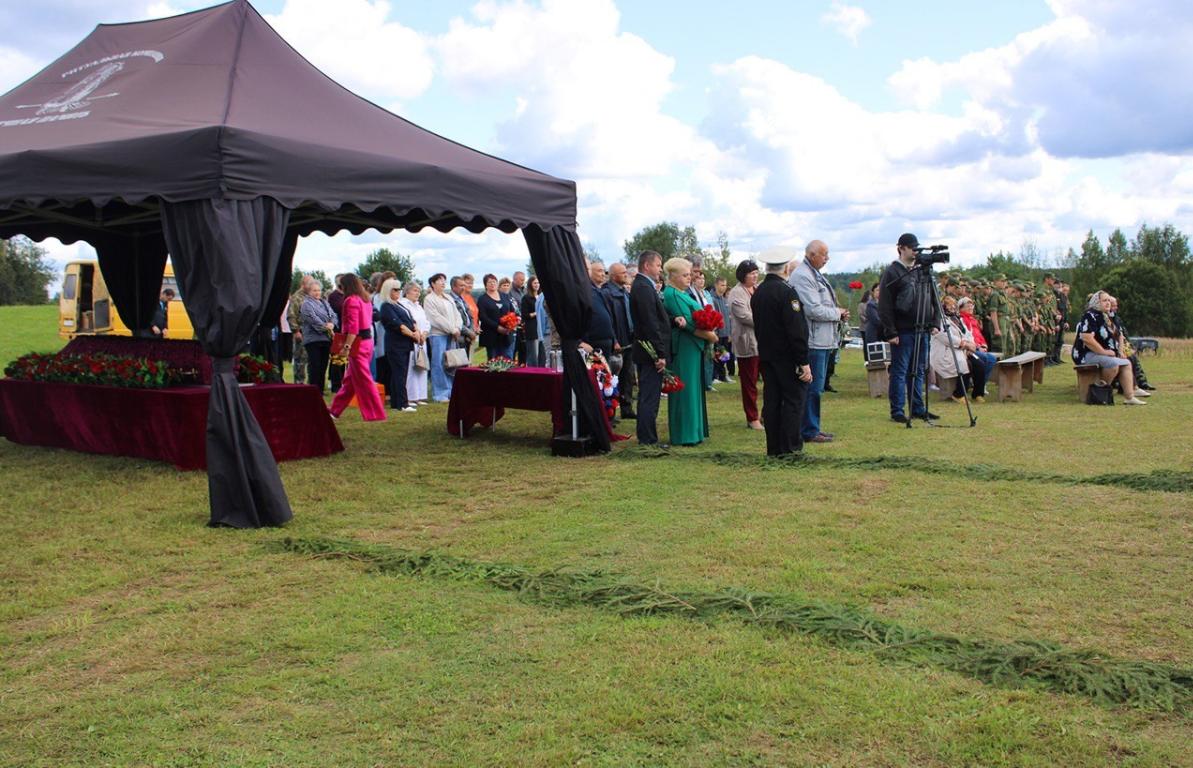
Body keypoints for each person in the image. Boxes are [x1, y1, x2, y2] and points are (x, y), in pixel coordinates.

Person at [751, 246, 812, 456]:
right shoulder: (787, 293)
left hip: (767, 355)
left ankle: (774, 447)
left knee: (772, 401)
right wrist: (803, 361)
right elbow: (796, 330)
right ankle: (790, 447)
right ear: (786, 268)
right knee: (793, 401)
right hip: (787, 357)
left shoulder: (759, 292)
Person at [789, 240, 848, 444]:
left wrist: (838, 313)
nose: (827, 258)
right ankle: (808, 430)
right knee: (812, 387)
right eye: (824, 254)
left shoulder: (814, 273)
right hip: (813, 341)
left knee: (816, 387)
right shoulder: (803, 276)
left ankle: (812, 427)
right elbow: (813, 309)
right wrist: (837, 313)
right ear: (812, 254)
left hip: (822, 339)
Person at [878, 233, 941, 424]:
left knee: (919, 370)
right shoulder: (892, 272)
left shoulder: (921, 271)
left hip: (923, 329)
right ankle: (897, 410)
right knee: (900, 371)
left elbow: (934, 298)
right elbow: (885, 304)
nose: (915, 251)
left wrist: (935, 322)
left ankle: (917, 408)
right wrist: (890, 331)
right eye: (912, 248)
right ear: (901, 248)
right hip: (903, 330)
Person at [661, 258, 715, 445]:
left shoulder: (680, 293)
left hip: (691, 345)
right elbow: (688, 322)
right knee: (686, 390)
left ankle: (694, 431)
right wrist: (709, 335)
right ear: (673, 276)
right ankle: (685, 434)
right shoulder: (672, 294)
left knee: (693, 389)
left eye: (689, 275)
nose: (689, 278)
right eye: (684, 275)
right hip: (684, 346)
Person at [629, 250, 674, 447]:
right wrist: (660, 353)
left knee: (649, 395)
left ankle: (647, 436)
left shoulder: (644, 286)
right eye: (658, 265)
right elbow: (650, 323)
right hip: (649, 352)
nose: (660, 270)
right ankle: (648, 439)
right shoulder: (643, 288)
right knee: (649, 396)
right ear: (647, 266)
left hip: (648, 350)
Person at [1072, 291, 1146, 405]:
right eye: (1104, 301)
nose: (1108, 303)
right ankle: (1100, 392)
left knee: (1126, 363)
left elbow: (1119, 334)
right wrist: (1104, 352)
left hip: (1105, 354)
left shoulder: (1108, 316)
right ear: (1097, 302)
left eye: (1108, 301)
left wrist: (1120, 351)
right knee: (1112, 364)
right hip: (1086, 354)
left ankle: (1129, 397)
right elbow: (1087, 339)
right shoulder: (1090, 316)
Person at [329, 274, 386, 421]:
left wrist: (347, 346)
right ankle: (334, 411)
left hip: (357, 343)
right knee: (350, 382)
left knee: (365, 381)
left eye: (341, 286)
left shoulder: (351, 300)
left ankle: (375, 413)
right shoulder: (365, 299)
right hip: (367, 342)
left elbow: (353, 327)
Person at [728, 259, 763, 430]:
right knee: (750, 383)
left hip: (763, 342)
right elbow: (745, 317)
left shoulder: (758, 290)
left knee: (770, 379)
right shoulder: (736, 293)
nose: (755, 276)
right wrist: (768, 319)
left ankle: (766, 414)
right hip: (747, 343)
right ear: (743, 275)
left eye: (756, 273)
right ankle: (752, 417)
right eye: (751, 273)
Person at [378, 278, 419, 412]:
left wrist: (417, 331)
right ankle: (403, 403)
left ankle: (396, 402)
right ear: (388, 291)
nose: (398, 292)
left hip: (405, 343)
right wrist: (413, 335)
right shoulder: (386, 306)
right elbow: (398, 325)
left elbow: (411, 320)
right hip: (395, 344)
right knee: (399, 373)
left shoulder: (399, 305)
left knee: (400, 372)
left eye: (399, 289)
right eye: (395, 289)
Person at [603, 262, 635, 416]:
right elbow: (607, 319)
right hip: (616, 342)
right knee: (613, 377)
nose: (626, 275)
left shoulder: (624, 292)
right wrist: (614, 339)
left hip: (628, 339)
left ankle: (626, 407)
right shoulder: (608, 293)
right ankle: (611, 410)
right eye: (623, 273)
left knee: (628, 376)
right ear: (614, 276)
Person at [423, 273, 461, 402]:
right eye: (439, 280)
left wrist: (457, 327)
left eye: (444, 280)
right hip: (438, 335)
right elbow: (435, 318)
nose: (443, 282)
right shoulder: (429, 299)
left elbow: (457, 314)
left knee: (451, 363)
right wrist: (452, 329)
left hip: (452, 334)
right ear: (433, 284)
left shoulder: (448, 297)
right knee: (439, 363)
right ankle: (440, 393)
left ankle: (451, 391)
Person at [957, 297, 998, 401]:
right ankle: (978, 385)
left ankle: (982, 384)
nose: (971, 308)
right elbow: (966, 337)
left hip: (976, 347)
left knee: (992, 359)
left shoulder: (972, 319)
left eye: (972, 306)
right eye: (968, 306)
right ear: (961, 308)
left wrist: (983, 344)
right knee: (984, 359)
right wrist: (978, 346)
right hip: (968, 349)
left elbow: (978, 335)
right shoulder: (961, 319)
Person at [298, 280, 335, 394]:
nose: (317, 293)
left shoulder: (325, 303)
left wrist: (332, 324)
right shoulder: (306, 304)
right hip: (313, 339)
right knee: (315, 365)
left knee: (323, 365)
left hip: (326, 339)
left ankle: (320, 389)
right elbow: (313, 319)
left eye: (319, 290)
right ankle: (314, 390)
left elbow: (333, 315)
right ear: (309, 291)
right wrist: (326, 326)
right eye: (314, 290)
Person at [400, 281, 429, 404]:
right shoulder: (403, 304)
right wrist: (416, 333)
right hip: (411, 340)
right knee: (411, 368)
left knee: (421, 367)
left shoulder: (419, 306)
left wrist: (425, 333)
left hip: (422, 340)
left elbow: (426, 322)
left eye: (419, 291)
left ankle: (420, 395)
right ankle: (411, 396)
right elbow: (408, 322)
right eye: (415, 291)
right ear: (407, 291)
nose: (417, 293)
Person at [583, 261, 619, 360]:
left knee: (605, 369)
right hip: (592, 345)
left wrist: (614, 339)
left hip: (606, 343)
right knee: (594, 368)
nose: (603, 274)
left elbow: (609, 317)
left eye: (604, 271)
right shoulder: (584, 291)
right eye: (599, 271)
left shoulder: (599, 292)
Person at [477, 273, 517, 360]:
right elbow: (482, 317)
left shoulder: (505, 296)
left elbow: (512, 311)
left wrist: (511, 324)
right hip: (491, 336)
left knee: (508, 360)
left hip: (506, 336)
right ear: (485, 285)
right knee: (494, 362)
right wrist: (497, 327)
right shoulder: (482, 299)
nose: (492, 284)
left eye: (494, 281)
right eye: (489, 282)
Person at [288, 275, 313, 385]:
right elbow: (291, 315)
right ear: (303, 284)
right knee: (300, 360)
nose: (311, 286)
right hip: (301, 332)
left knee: (312, 359)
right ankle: (299, 383)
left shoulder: (312, 296)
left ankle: (312, 384)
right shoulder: (296, 297)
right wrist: (296, 331)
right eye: (309, 284)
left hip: (313, 333)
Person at [710, 277, 734, 384]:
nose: (724, 287)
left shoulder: (725, 300)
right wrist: (715, 332)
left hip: (725, 333)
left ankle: (723, 375)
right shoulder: (712, 299)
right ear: (716, 285)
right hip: (717, 333)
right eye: (722, 285)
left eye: (725, 285)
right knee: (717, 355)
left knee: (724, 356)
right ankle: (715, 376)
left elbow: (728, 318)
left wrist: (729, 333)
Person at [327, 274, 347, 393]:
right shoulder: (334, 296)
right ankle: (335, 384)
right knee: (337, 359)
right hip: (338, 331)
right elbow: (339, 309)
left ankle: (342, 382)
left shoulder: (346, 295)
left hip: (346, 331)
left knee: (344, 359)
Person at [450, 275, 478, 357]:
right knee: (459, 362)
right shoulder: (450, 300)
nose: (463, 288)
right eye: (461, 285)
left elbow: (470, 316)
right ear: (453, 287)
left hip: (468, 337)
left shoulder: (461, 299)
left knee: (468, 361)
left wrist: (471, 330)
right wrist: (469, 333)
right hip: (459, 338)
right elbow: (454, 320)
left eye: (464, 285)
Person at [521, 275, 544, 367]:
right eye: (535, 283)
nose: (537, 285)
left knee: (542, 355)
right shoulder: (526, 298)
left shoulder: (541, 297)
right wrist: (537, 313)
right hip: (532, 329)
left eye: (538, 283)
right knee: (533, 356)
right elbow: (525, 315)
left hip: (541, 329)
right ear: (530, 284)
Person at [862, 283, 882, 349]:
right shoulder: (871, 305)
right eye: (877, 290)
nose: (879, 292)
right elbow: (876, 320)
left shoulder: (884, 304)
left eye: (881, 290)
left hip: (881, 334)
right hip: (873, 335)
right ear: (873, 292)